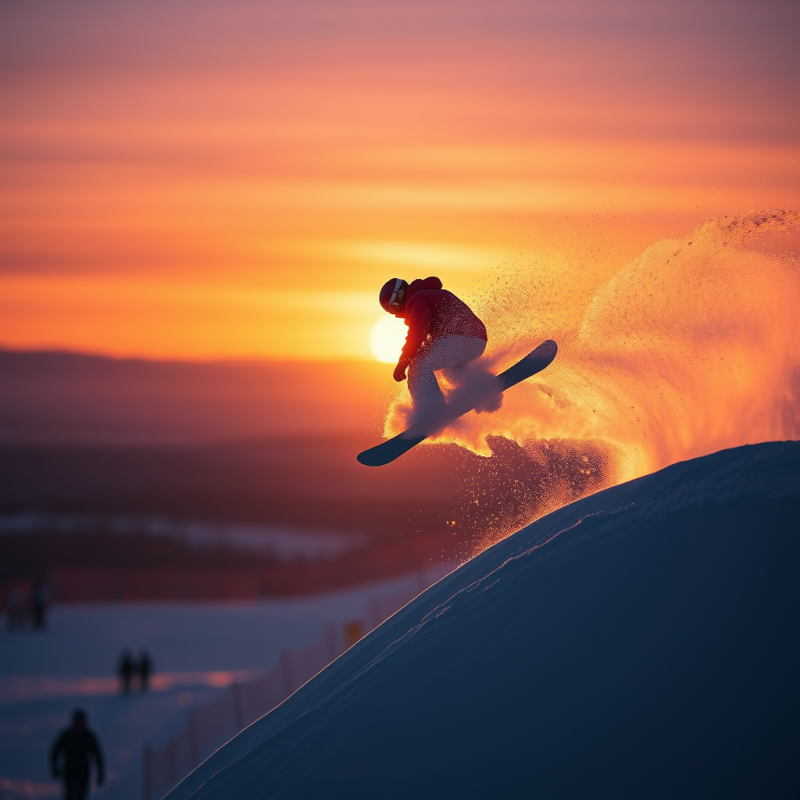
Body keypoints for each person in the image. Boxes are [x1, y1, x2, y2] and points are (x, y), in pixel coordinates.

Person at [379, 277, 491, 418]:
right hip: (475, 340)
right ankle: (478, 388)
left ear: (400, 295)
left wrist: (404, 361)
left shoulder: (417, 299)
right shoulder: (427, 295)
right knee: (450, 370)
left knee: (419, 364)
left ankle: (432, 411)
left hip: (461, 339)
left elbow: (418, 331)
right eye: (391, 311)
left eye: (394, 307)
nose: (396, 314)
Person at [50, 709, 105, 800]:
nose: (79, 725)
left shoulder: (88, 736)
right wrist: (54, 767)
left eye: (81, 723)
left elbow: (98, 755)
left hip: (83, 772)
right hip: (69, 771)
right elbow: (55, 751)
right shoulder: (67, 736)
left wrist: (100, 773)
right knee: (70, 795)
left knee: (81, 797)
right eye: (77, 722)